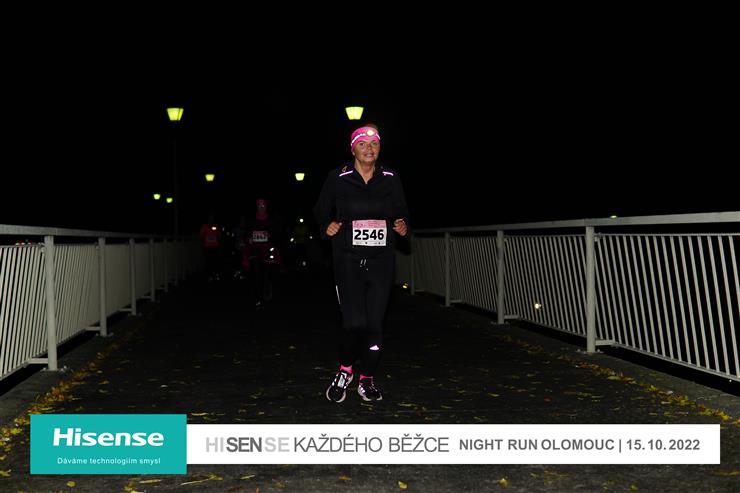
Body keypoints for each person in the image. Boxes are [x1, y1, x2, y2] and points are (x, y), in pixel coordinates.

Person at [314, 124, 409, 403]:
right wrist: (326, 226)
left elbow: (402, 212)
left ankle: (367, 378)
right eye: (363, 144)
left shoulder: (390, 177)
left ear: (380, 148)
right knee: (354, 323)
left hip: (382, 261)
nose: (369, 149)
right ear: (353, 148)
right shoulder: (338, 176)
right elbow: (321, 209)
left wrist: (403, 225)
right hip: (348, 259)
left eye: (374, 144)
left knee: (375, 324)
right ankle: (345, 370)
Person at [244, 198, 281, 307]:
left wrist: (270, 236)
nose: (261, 207)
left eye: (263, 205)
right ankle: (258, 297)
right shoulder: (251, 220)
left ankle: (267, 290)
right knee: (256, 273)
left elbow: (277, 234)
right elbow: (247, 234)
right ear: (256, 207)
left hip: (267, 250)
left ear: (266, 206)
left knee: (266, 273)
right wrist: (248, 239)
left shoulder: (271, 220)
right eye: (259, 205)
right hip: (255, 249)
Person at [199, 213, 223, 282]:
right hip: (207, 247)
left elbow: (219, 236)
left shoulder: (216, 226)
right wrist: (205, 235)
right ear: (208, 219)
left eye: (212, 218)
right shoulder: (204, 226)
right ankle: (209, 276)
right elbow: (201, 236)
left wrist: (217, 232)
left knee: (214, 262)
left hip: (215, 247)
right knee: (208, 262)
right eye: (210, 218)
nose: (211, 219)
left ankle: (214, 275)